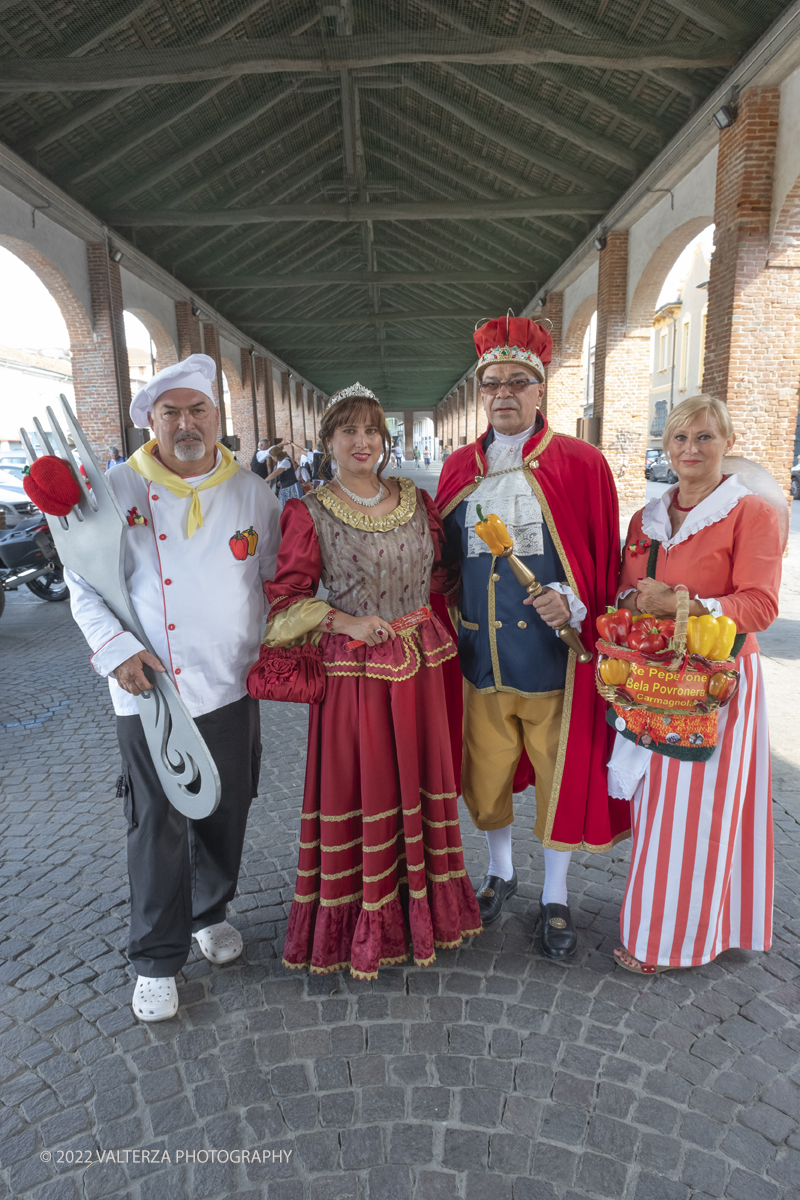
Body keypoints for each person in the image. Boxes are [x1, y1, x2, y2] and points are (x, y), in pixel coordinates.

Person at [65, 353, 281, 1021]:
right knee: (154, 819)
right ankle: (156, 958)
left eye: (199, 410)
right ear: (150, 421)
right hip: (146, 685)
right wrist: (117, 649)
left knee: (226, 804)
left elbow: (273, 583)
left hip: (228, 682)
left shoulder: (255, 494)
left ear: (218, 417)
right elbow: (83, 579)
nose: (187, 423)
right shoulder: (114, 488)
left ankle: (209, 911)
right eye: (172, 413)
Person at [262, 382, 482, 978]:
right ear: (328, 440)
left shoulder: (417, 500)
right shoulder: (307, 510)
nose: (362, 442)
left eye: (372, 432)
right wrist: (346, 621)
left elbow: (444, 577)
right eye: (348, 431)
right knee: (365, 785)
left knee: (420, 781)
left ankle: (426, 914)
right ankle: (360, 925)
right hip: (354, 671)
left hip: (422, 664)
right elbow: (285, 603)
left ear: (386, 441)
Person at [435, 315, 623, 960]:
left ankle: (556, 894)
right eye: (494, 383)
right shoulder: (460, 467)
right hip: (480, 655)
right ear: (482, 392)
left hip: (553, 659)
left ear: (541, 390)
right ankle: (502, 873)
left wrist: (573, 602)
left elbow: (600, 558)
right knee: (485, 775)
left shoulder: (582, 463)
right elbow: (443, 563)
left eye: (519, 381)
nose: (505, 392)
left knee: (556, 775)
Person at [609, 394, 782, 975]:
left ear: (726, 444)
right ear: (666, 446)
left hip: (717, 681)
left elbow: (759, 607)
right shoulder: (646, 517)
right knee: (659, 804)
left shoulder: (750, 513)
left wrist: (683, 603)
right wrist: (635, 602)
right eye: (680, 438)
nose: (691, 450)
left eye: (705, 438)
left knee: (697, 810)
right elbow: (627, 593)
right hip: (655, 675)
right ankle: (705, 921)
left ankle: (666, 941)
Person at [264, 440, 304, 507]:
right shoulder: (280, 461)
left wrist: (264, 480)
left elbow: (276, 473)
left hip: (291, 487)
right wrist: (281, 480)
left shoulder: (286, 461)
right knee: (284, 507)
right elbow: (284, 473)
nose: (272, 458)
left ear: (276, 456)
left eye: (272, 456)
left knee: (294, 507)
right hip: (285, 487)